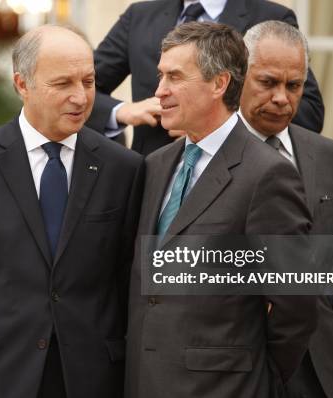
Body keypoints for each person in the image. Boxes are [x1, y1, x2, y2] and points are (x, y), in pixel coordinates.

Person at [0, 25, 144, 398]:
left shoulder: (125, 169)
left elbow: (125, 282)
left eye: (88, 81)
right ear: (22, 85)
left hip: (91, 377)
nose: (80, 97)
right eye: (62, 84)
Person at [125, 22, 317, 398]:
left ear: (219, 84)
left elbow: (297, 305)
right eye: (161, 76)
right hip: (143, 381)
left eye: (174, 77)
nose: (159, 91)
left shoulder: (269, 174)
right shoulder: (155, 164)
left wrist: (258, 377)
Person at [239, 20, 333, 398]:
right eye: (268, 82)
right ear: (237, 76)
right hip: (241, 362)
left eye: (294, 86)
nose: (282, 98)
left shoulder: (325, 153)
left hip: (322, 362)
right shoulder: (206, 153)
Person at [87, 0, 325, 155]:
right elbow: (81, 86)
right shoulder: (139, 15)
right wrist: (122, 111)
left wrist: (214, 122)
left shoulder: (271, 17)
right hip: (151, 180)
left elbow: (308, 111)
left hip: (235, 177)